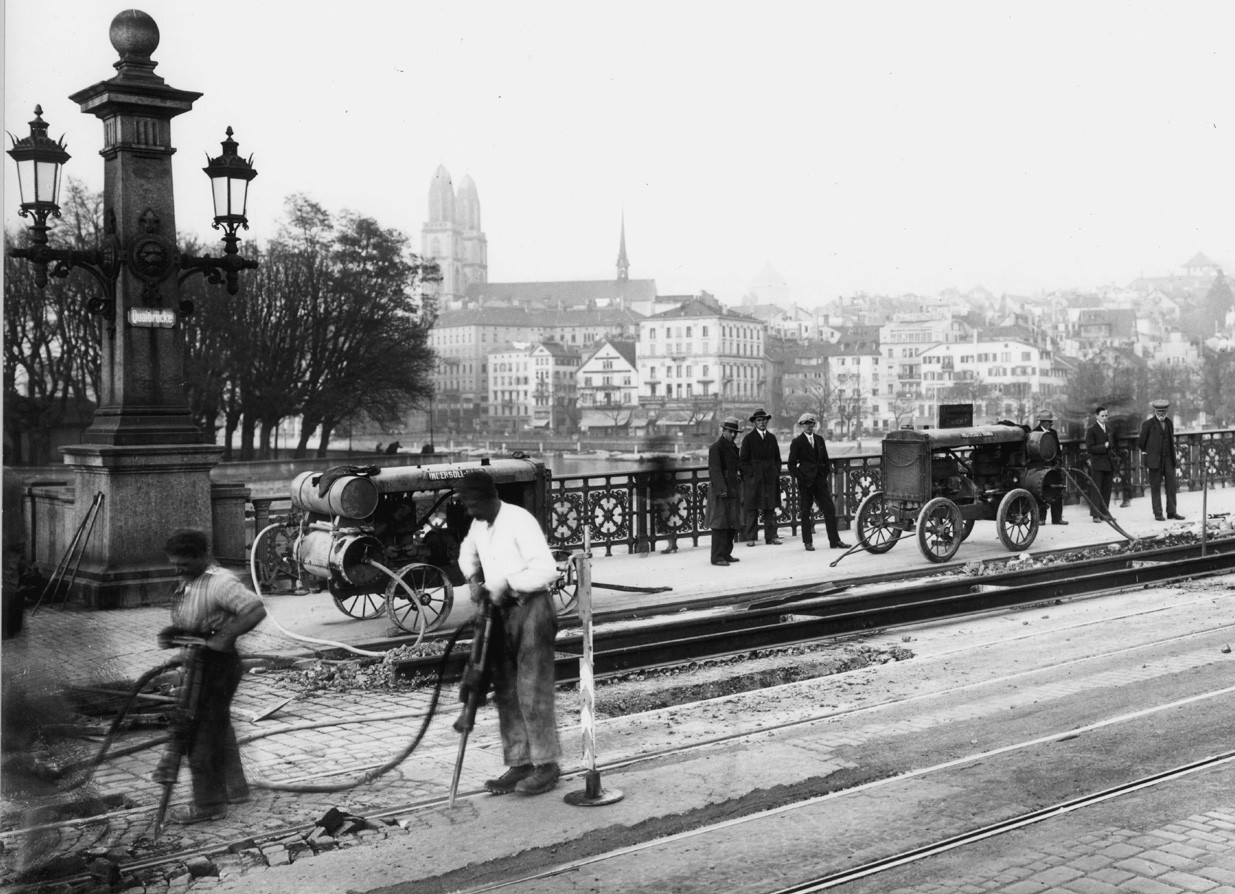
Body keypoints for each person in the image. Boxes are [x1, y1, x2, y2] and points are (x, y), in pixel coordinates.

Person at [455, 470, 563, 796]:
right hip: (500, 613)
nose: (469, 511)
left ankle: (547, 765)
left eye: (473, 504)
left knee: (532, 689)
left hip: (532, 608)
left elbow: (546, 569)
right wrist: (473, 579)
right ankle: (520, 762)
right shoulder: (479, 525)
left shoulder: (519, 520)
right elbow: (466, 553)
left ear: (490, 497)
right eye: (467, 505)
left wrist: (506, 583)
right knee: (506, 689)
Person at [157, 528, 266, 824]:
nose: (179, 570)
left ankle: (209, 804)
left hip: (218, 667)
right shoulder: (187, 583)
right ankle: (235, 788)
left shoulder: (221, 583)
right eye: (175, 564)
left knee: (199, 734)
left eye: (184, 564)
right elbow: (199, 624)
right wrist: (178, 638)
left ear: (203, 556)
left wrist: (226, 637)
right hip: (200, 661)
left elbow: (255, 610)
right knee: (219, 726)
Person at [787, 413, 850, 551]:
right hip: (806, 483)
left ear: (813, 425)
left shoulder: (820, 440)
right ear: (801, 426)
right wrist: (802, 477)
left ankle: (835, 541)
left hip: (820, 481)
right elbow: (791, 465)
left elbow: (825, 460)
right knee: (805, 511)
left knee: (829, 509)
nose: (808, 426)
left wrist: (824, 473)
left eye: (810, 423)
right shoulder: (797, 442)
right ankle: (807, 542)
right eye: (805, 424)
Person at [739, 408, 783, 546]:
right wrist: (751, 473)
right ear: (754, 423)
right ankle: (751, 537)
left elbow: (777, 458)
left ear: (767, 421)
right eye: (759, 420)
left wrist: (776, 470)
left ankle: (770, 536)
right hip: (754, 479)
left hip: (770, 478)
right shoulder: (748, 439)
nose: (762, 422)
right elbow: (743, 461)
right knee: (752, 508)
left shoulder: (771, 438)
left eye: (764, 420)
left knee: (770, 508)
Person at [1138, 399, 1184, 521]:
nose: (1162, 414)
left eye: (1164, 411)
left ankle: (1171, 512)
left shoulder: (1169, 423)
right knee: (1155, 488)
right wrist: (1151, 452)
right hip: (1154, 461)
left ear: (1167, 411)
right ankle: (1158, 513)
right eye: (1159, 411)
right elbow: (1141, 443)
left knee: (1171, 487)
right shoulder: (1147, 424)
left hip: (1169, 460)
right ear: (1155, 411)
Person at [707, 416, 743, 566]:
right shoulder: (716, 447)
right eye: (730, 432)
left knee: (732, 522)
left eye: (735, 432)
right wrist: (722, 490)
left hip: (733, 486)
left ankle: (726, 553)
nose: (733, 435)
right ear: (724, 431)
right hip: (721, 488)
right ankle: (717, 557)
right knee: (720, 523)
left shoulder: (733, 446)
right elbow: (715, 470)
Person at [1032, 410, 1068, 525]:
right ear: (1042, 422)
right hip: (1041, 467)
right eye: (1048, 422)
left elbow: (1057, 450)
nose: (1051, 424)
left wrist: (1059, 462)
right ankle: (1041, 518)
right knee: (1041, 491)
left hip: (1053, 466)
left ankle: (1057, 518)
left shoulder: (1053, 432)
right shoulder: (1034, 433)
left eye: (1051, 422)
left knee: (1057, 489)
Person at [1084, 406, 1115, 522]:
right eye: (1102, 416)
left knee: (1107, 489)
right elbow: (1090, 448)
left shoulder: (1109, 429)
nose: (1105, 418)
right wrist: (1104, 446)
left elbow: (1112, 445)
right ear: (1097, 416)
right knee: (1096, 489)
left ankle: (1105, 513)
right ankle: (1095, 515)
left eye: (1106, 415)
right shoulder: (1092, 430)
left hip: (1108, 463)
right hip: (1097, 463)